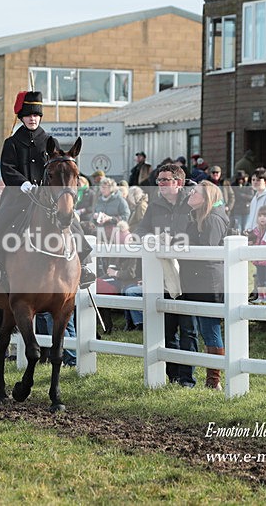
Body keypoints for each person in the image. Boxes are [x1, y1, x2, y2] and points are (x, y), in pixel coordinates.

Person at [0, 91, 95, 288]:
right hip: (18, 195)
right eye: (29, 115)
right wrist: (23, 183)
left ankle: (83, 264)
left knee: (72, 222)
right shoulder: (12, 143)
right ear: (22, 117)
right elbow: (7, 168)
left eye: (36, 115)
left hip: (46, 197)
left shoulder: (49, 141)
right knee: (1, 223)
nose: (33, 119)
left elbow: (58, 168)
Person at [135, 163, 197, 386]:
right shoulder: (154, 205)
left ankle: (188, 378)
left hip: (189, 274)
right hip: (163, 274)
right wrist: (150, 239)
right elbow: (141, 230)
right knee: (168, 328)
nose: (159, 183)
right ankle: (173, 376)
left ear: (178, 183)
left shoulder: (192, 202)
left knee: (188, 328)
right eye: (158, 180)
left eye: (164, 180)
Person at [182, 180, 228, 390]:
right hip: (198, 279)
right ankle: (212, 379)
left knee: (210, 329)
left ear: (206, 197)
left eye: (195, 192)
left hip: (209, 281)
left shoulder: (213, 220)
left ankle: (214, 380)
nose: (191, 193)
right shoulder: (198, 217)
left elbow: (207, 253)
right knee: (205, 328)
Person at [248, 206, 266, 304]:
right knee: (260, 279)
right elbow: (252, 240)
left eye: (265, 215)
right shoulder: (256, 231)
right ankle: (261, 296)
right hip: (258, 259)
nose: (262, 218)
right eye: (260, 216)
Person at [92, 177, 130, 242]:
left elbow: (126, 216)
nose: (102, 189)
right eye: (101, 187)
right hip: (100, 233)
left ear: (111, 188)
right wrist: (95, 217)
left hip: (116, 234)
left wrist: (110, 218)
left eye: (104, 187)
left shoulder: (120, 200)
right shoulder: (99, 200)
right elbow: (94, 213)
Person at [245, 167, 266, 232]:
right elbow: (251, 216)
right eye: (253, 180)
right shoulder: (254, 198)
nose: (255, 182)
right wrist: (247, 228)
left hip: (262, 234)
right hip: (252, 233)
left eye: (258, 180)